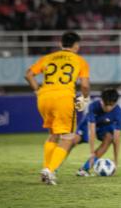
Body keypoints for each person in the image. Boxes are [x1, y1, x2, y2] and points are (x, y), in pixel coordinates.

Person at [25, 31, 90, 185]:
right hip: (63, 98)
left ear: (61, 44)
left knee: (53, 134)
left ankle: (46, 169)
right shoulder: (79, 60)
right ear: (76, 46)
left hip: (44, 97)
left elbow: (28, 74)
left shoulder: (48, 58)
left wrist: (37, 91)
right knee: (68, 138)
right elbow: (85, 85)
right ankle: (50, 170)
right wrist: (85, 98)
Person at [75, 88, 121, 176]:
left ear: (115, 103)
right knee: (74, 141)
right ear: (101, 100)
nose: (108, 108)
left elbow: (116, 139)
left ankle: (84, 169)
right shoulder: (93, 107)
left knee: (110, 137)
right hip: (87, 126)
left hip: (103, 127)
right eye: (106, 105)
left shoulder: (119, 114)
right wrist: (91, 153)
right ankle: (53, 167)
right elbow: (92, 132)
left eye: (111, 105)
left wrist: (116, 161)